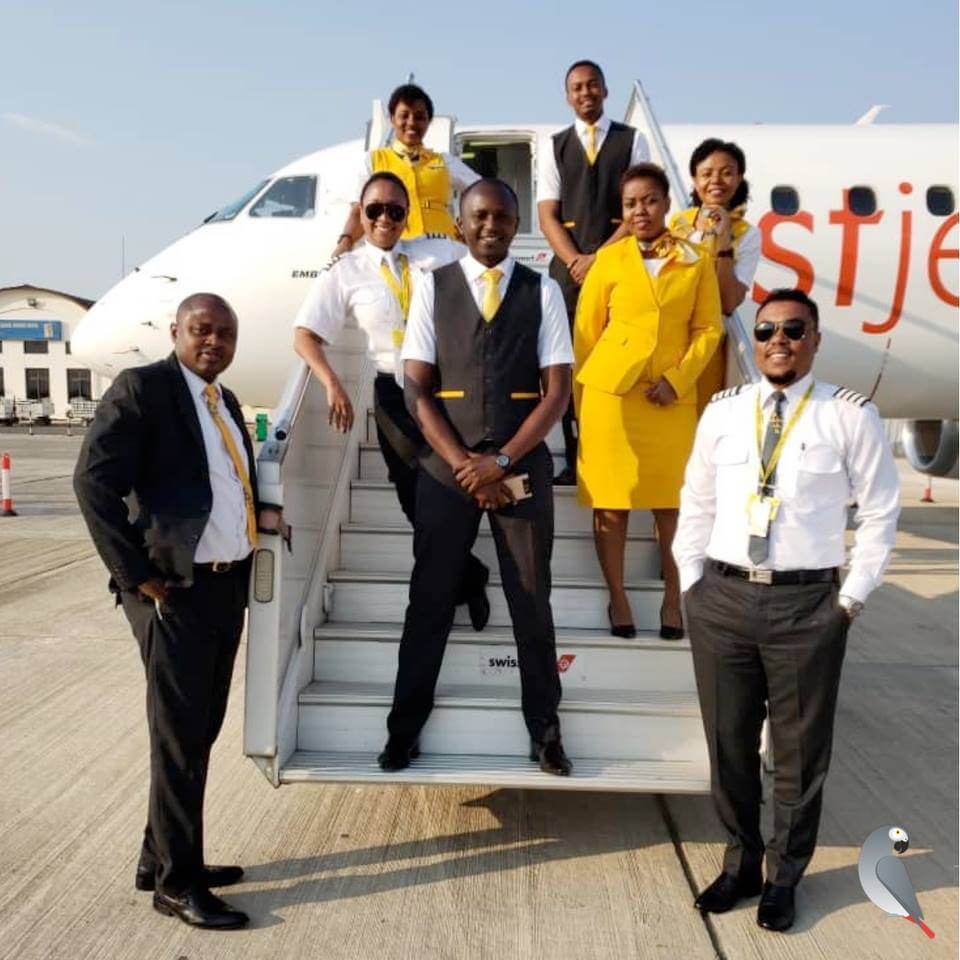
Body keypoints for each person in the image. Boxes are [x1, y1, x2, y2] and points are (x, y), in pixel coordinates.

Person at [673, 288, 900, 932]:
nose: (779, 340)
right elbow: (696, 501)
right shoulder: (723, 411)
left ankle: (783, 877)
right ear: (756, 339)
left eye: (795, 330)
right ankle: (740, 864)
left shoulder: (849, 415)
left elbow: (881, 512)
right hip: (723, 598)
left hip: (806, 606)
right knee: (730, 745)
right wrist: (692, 582)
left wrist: (850, 599)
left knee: (800, 756)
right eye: (768, 328)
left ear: (815, 340)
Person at [74, 294, 287, 930]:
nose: (214, 342)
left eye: (225, 334)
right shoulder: (144, 389)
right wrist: (135, 574)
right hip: (173, 592)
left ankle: (159, 857)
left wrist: (259, 516)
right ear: (176, 331)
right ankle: (176, 884)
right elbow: (92, 482)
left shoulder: (223, 400)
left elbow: (219, 484)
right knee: (179, 739)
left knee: (197, 732)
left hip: (223, 587)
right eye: (202, 330)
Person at [380, 178, 574, 776]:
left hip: (520, 463)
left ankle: (545, 732)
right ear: (460, 225)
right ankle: (403, 729)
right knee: (430, 599)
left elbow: (556, 393)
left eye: (503, 217)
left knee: (531, 601)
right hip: (448, 470)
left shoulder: (543, 291)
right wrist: (467, 464)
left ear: (517, 224)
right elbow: (416, 389)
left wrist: (503, 461)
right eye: (480, 216)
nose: (492, 226)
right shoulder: (432, 288)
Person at [294, 170, 490, 628]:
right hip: (393, 395)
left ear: (407, 215)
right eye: (375, 209)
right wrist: (332, 382)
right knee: (412, 499)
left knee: (448, 495)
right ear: (361, 215)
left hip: (442, 390)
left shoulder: (436, 253)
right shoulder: (346, 271)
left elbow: (485, 258)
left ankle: (449, 588)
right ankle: (468, 574)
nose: (385, 218)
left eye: (395, 210)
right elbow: (304, 334)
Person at [574, 163, 721, 640]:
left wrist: (678, 381)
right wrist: (581, 406)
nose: (641, 210)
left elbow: (709, 329)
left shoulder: (696, 259)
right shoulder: (607, 260)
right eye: (631, 203)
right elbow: (586, 335)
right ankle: (617, 597)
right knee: (610, 504)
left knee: (673, 506)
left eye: (650, 200)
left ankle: (673, 600)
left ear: (666, 204)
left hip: (669, 400)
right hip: (610, 399)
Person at [537, 59, 650, 485]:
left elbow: (638, 210)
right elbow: (547, 214)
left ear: (605, 90)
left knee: (615, 362)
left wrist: (598, 259)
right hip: (568, 274)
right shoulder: (555, 146)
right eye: (577, 87)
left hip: (618, 267)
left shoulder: (632, 141)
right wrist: (574, 261)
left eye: (592, 85)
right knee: (567, 365)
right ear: (568, 96)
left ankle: (614, 451)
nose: (585, 93)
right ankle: (575, 457)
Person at [333, 83, 480, 256]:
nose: (411, 122)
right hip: (395, 252)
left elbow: (483, 192)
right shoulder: (374, 161)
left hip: (443, 252)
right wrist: (345, 241)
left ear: (428, 121)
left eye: (419, 117)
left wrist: (469, 228)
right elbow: (359, 210)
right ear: (392, 119)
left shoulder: (444, 161)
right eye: (404, 116)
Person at [669, 138, 761, 411]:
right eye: (707, 173)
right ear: (695, 180)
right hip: (669, 334)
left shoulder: (747, 234)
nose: (716, 181)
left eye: (726, 173)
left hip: (707, 343)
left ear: (739, 178)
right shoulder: (676, 223)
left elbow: (728, 301)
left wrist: (723, 242)